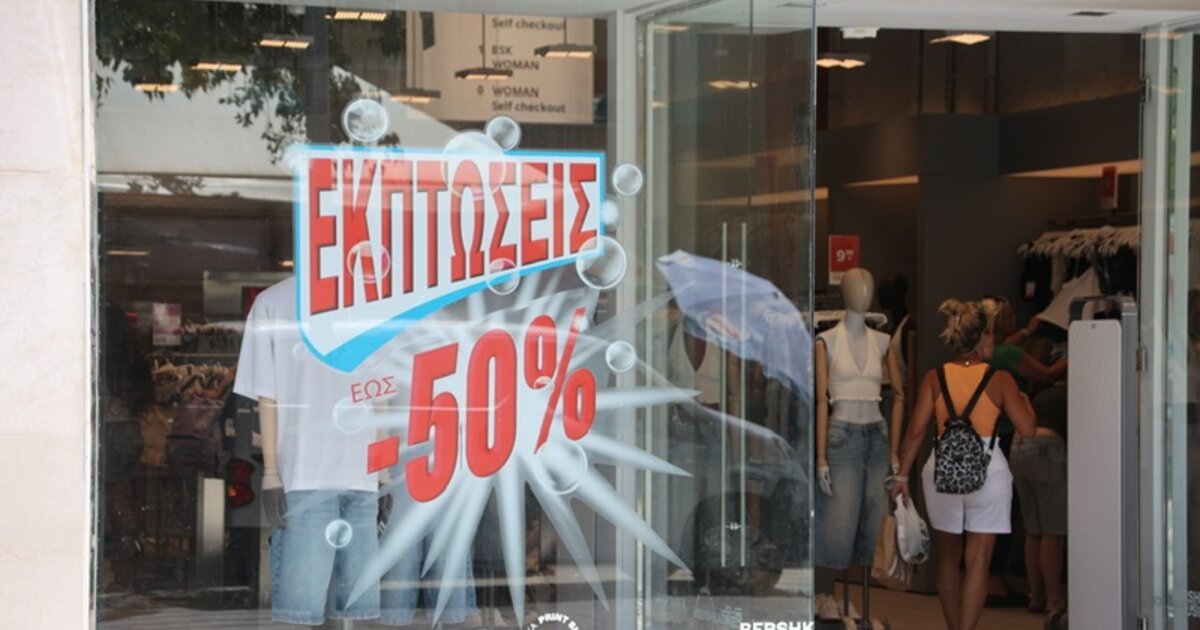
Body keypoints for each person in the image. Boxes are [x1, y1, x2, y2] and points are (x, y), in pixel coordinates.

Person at [891, 300, 1037, 630]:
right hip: (988, 473)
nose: (994, 341)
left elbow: (916, 431)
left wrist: (901, 477)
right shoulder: (1000, 379)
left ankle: (953, 626)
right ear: (982, 336)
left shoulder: (935, 377)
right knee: (978, 559)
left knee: (948, 558)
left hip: (942, 471)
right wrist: (1026, 402)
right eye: (992, 334)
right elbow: (1028, 429)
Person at [978, 295, 1066, 608]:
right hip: (1011, 432)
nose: (1015, 319)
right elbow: (1046, 374)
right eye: (1011, 316)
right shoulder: (1008, 356)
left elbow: (1007, 346)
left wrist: (1028, 332)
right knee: (1032, 521)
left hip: (992, 437)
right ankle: (1043, 596)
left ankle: (1029, 593)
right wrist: (1078, 352)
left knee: (1026, 523)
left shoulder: (987, 353)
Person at [1010, 384, 1068, 624]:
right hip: (1046, 447)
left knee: (1033, 530)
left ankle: (1036, 596)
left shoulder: (1046, 393)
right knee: (1053, 532)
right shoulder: (1072, 393)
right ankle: (1054, 600)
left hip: (1018, 446)